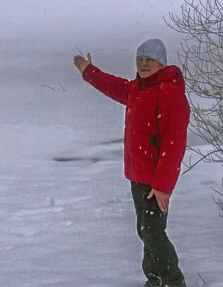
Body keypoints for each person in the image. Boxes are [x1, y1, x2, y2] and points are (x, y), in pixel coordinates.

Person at [74, 39, 189, 287]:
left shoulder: (169, 92)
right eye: (140, 60)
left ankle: (173, 281)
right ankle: (155, 279)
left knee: (153, 233)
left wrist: (163, 186)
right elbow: (114, 86)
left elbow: (174, 144)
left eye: (149, 60)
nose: (144, 64)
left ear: (161, 62)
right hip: (139, 175)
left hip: (155, 180)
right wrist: (89, 72)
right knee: (146, 231)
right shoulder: (139, 88)